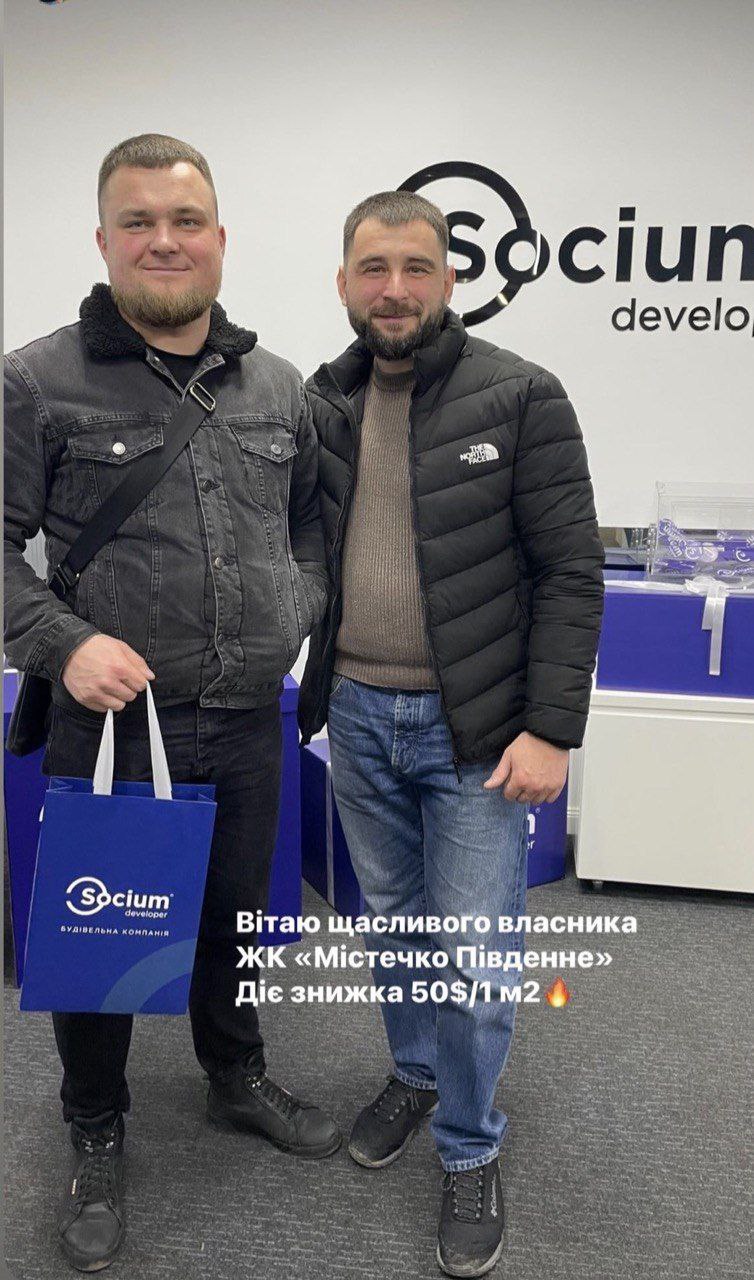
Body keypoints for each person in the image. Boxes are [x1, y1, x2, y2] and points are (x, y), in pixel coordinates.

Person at [4, 133, 340, 1274]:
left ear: (219, 237)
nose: (163, 240)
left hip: (246, 718)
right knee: (102, 933)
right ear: (103, 241)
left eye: (184, 220)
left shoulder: (278, 385)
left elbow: (309, 524)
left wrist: (296, 604)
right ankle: (96, 1124)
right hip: (111, 723)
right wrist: (63, 643)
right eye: (138, 221)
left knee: (233, 920)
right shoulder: (36, 380)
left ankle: (234, 1073)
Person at [298, 191, 605, 1278]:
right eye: (373, 268)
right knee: (393, 929)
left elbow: (570, 571)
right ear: (344, 281)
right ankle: (417, 1072)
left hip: (476, 731)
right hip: (355, 715)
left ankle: (470, 1146)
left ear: (449, 279)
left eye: (415, 267)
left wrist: (551, 728)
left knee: (476, 959)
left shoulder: (520, 393)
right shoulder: (322, 400)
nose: (394, 289)